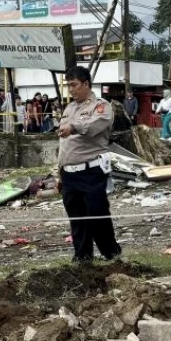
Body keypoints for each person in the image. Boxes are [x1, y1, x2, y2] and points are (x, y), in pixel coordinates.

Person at [57, 65, 122, 263]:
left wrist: (74, 126)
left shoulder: (101, 106)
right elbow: (63, 143)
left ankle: (111, 253)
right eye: (69, 85)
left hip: (91, 170)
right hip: (69, 173)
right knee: (76, 217)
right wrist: (59, 172)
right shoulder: (69, 108)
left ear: (86, 84)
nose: (71, 89)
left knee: (97, 213)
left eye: (74, 85)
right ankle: (82, 256)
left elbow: (95, 125)